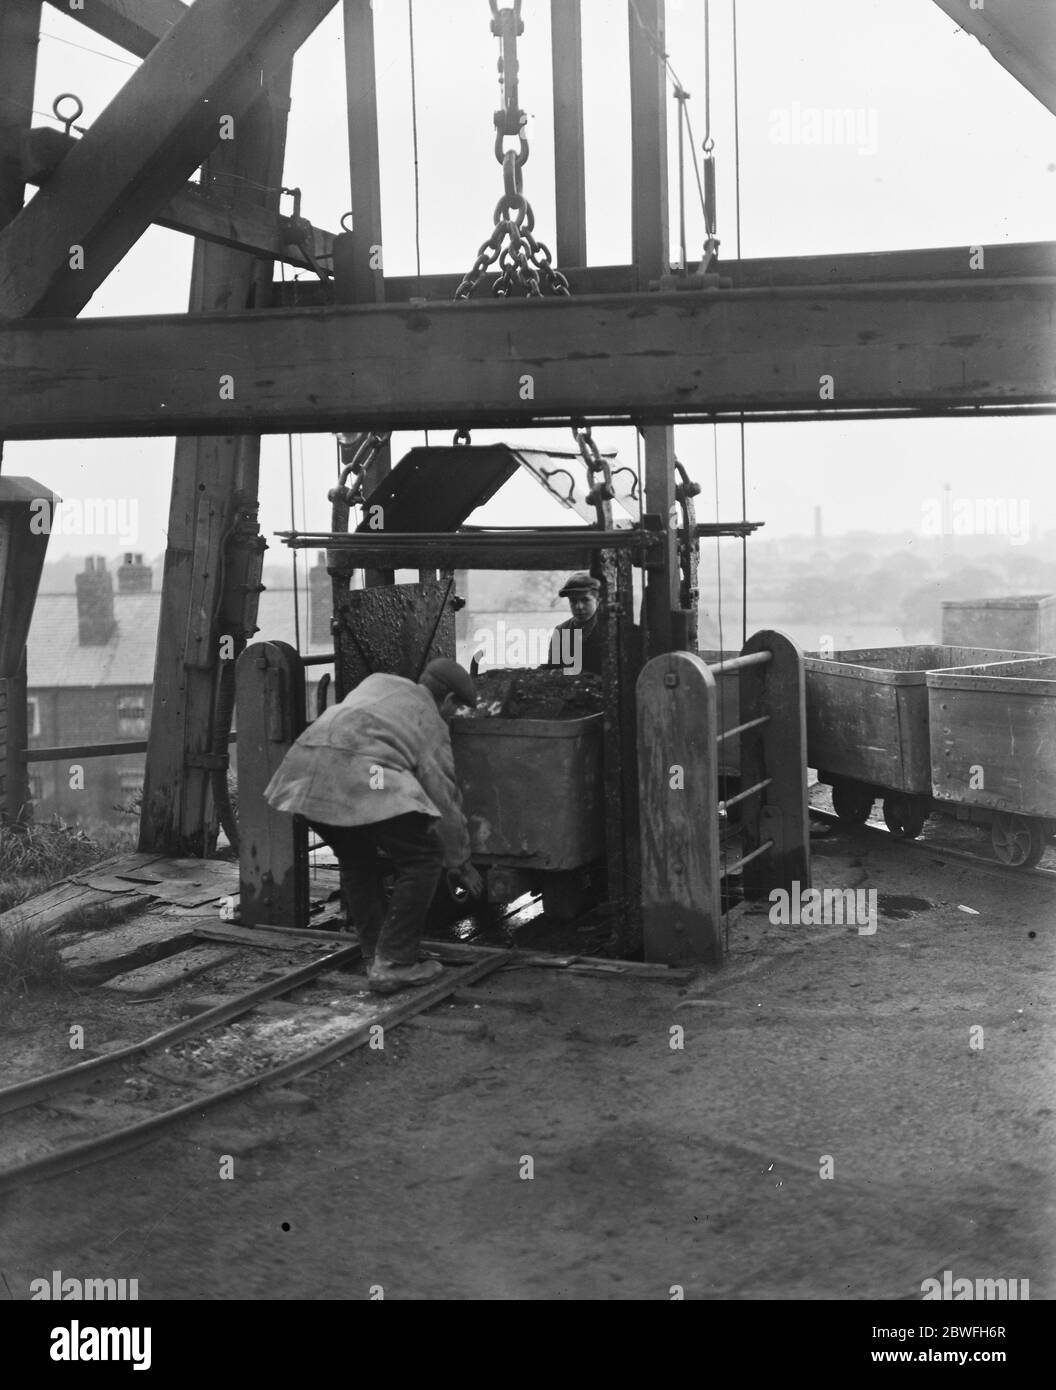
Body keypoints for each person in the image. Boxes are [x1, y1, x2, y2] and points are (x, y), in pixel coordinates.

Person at [263, 658, 483, 995]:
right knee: (423, 860)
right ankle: (394, 963)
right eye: (458, 709)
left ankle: (377, 956)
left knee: (358, 862)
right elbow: (444, 797)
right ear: (450, 700)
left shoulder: (380, 681)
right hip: (365, 778)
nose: (454, 717)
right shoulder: (431, 722)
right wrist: (459, 861)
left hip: (305, 773)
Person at [546, 572, 603, 676]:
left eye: (585, 600)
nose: (579, 606)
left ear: (598, 600)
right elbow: (552, 669)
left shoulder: (609, 629)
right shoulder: (561, 631)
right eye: (573, 601)